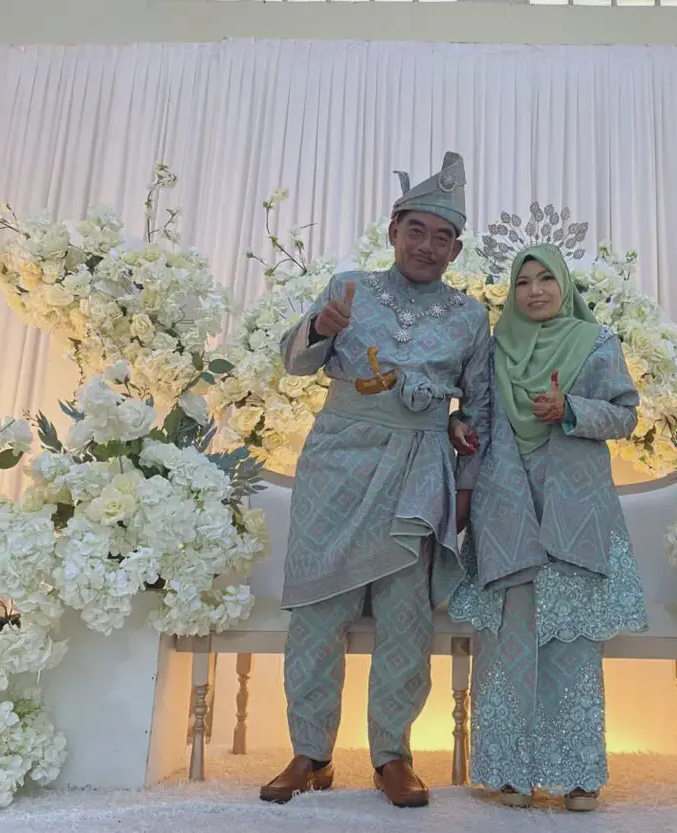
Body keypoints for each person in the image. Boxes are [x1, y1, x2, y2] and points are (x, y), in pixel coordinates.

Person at [260, 152, 490, 809]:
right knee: (316, 611)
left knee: (405, 615)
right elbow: (294, 362)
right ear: (393, 232)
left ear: (456, 249)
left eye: (442, 236)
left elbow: (478, 411)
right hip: (337, 461)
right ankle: (311, 752)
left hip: (417, 470)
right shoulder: (348, 287)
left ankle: (392, 753)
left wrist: (464, 482)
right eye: (416, 230)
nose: (427, 245)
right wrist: (317, 328)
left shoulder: (471, 318)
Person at [448, 243, 648, 812]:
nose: (534, 291)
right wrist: (459, 423)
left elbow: (626, 415)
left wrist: (573, 410)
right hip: (505, 506)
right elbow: (476, 412)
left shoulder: (596, 342)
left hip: (572, 506)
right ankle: (510, 772)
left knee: (569, 642)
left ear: (564, 286)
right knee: (507, 639)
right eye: (523, 282)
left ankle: (578, 773)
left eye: (545, 280)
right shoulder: (493, 351)